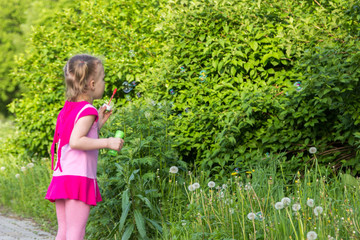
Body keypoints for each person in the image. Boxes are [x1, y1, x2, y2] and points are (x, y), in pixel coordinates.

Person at [45, 54, 124, 240]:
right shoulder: (87, 110)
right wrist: (108, 142)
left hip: (63, 177)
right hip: (78, 178)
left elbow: (74, 137)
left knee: (63, 233)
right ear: (92, 84)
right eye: (102, 79)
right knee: (76, 233)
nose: (104, 83)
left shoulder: (69, 108)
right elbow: (76, 141)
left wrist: (98, 123)